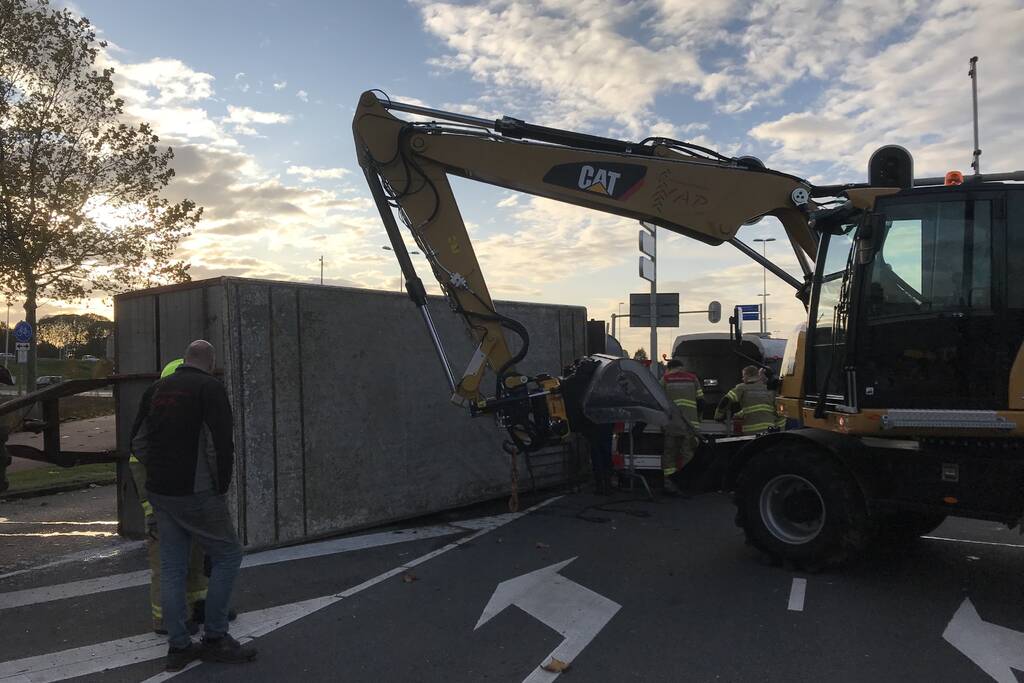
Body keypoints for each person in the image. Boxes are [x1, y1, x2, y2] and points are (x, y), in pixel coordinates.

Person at [132, 340, 256, 671]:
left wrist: (159, 474)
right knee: (228, 554)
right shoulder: (209, 388)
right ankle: (215, 637)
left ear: (184, 359)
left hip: (161, 493)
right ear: (211, 363)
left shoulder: (156, 390)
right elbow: (220, 445)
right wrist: (220, 486)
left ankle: (179, 646)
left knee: (172, 567)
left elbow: (138, 442)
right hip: (198, 492)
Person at [129, 358, 209, 636]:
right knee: (166, 563)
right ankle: (164, 619)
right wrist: (152, 513)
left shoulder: (171, 420)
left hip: (184, 501)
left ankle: (199, 605)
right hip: (165, 507)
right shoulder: (152, 430)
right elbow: (140, 469)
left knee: (195, 555)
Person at [660, 359, 704, 494]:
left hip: (671, 424)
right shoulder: (692, 378)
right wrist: (699, 419)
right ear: (681, 367)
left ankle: (670, 485)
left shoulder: (665, 379)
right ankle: (686, 486)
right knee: (687, 455)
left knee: (669, 455)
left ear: (669, 368)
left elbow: (659, 401)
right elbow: (701, 401)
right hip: (690, 424)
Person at [715, 365, 786, 435]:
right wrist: (780, 431)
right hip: (769, 431)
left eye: (743, 376)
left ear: (747, 375)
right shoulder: (769, 390)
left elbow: (726, 400)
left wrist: (718, 416)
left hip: (751, 432)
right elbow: (779, 412)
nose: (742, 379)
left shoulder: (742, 388)